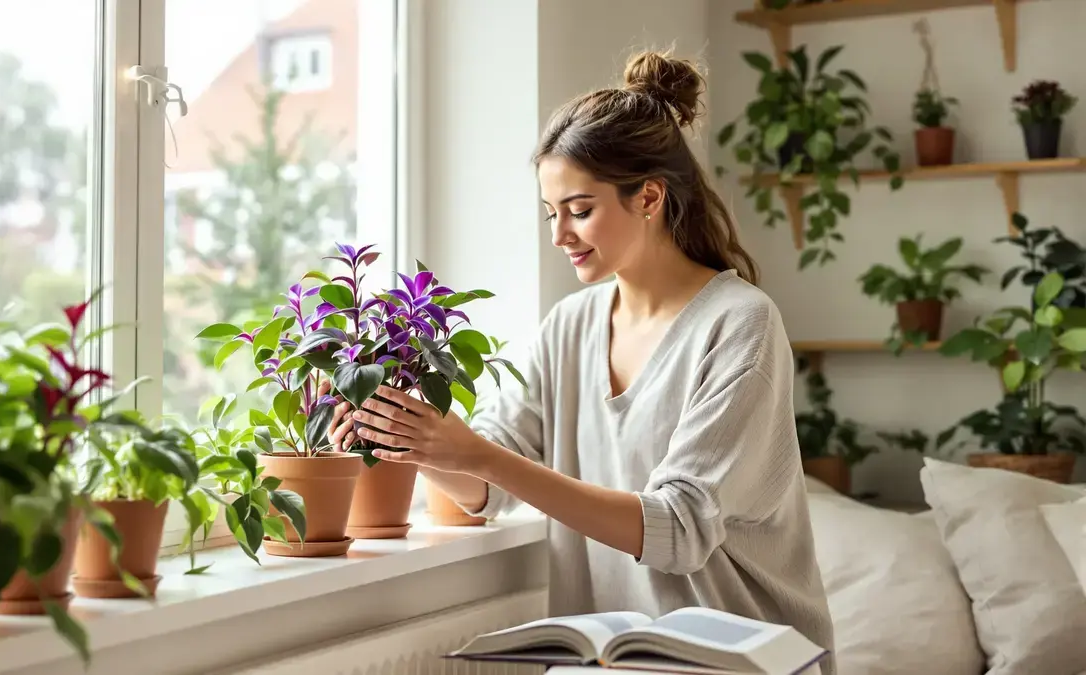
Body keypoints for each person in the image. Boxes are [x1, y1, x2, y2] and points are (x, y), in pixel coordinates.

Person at [328, 48, 836, 674]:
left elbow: (677, 530)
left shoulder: (740, 324)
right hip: (611, 664)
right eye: (551, 213)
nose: (558, 235)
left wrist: (477, 454)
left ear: (648, 198)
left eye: (580, 210)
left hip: (744, 662)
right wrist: (419, 444)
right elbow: (489, 487)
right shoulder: (568, 325)